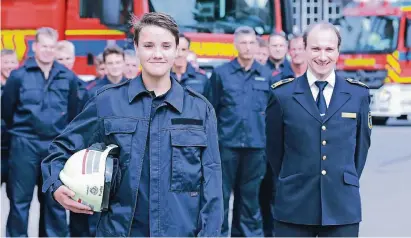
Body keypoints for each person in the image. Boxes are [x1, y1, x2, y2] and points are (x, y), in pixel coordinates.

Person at [41, 12, 223, 237]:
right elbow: (59, 151)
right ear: (136, 48)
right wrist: (56, 186)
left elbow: (212, 188)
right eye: (148, 45)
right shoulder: (107, 102)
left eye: (166, 46)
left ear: (177, 50)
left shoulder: (200, 109)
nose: (157, 54)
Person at [266, 22, 371, 237]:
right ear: (304, 49)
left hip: (342, 205)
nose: (322, 56)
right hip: (294, 205)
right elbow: (274, 152)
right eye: (315, 49)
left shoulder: (358, 95)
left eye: (329, 49)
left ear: (338, 51)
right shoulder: (282, 96)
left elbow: (360, 150)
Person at [1, 27, 82, 237]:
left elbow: (73, 111)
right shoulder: (18, 76)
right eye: (44, 46)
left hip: (55, 147)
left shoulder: (68, 77)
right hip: (24, 145)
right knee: (20, 201)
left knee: (54, 202)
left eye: (52, 47)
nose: (48, 51)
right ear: (35, 47)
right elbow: (6, 110)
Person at [205, 26, 273, 237]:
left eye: (252, 43)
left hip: (255, 148)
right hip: (226, 147)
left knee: (249, 201)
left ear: (257, 45)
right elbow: (210, 110)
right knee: (221, 198)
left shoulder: (266, 75)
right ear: (235, 45)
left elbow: (273, 113)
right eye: (243, 43)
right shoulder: (221, 74)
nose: (247, 47)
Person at [56, 40, 89, 113]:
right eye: (60, 59)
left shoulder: (82, 86)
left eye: (68, 58)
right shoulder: (47, 84)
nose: (65, 63)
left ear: (73, 59)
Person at [1, 49, 19, 186]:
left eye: (13, 62)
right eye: (6, 62)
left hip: (16, 151)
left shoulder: (23, 87)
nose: (10, 66)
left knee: (17, 198)